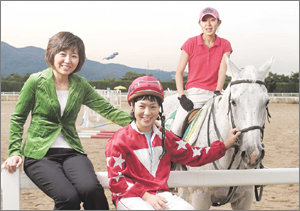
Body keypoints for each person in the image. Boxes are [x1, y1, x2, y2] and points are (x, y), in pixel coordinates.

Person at [2, 31, 132, 210]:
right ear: (52, 54)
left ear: (80, 59)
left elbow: (107, 109)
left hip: (72, 152)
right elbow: (18, 118)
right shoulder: (35, 81)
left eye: (74, 55)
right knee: (68, 198)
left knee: (92, 190)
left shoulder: (81, 85)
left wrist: (138, 123)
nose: (68, 60)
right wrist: (15, 151)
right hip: (40, 154)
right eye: (63, 54)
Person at [105, 76, 241, 210]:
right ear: (132, 106)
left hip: (161, 194)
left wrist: (224, 145)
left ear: (159, 109)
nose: (147, 112)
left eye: (153, 107)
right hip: (130, 196)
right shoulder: (118, 140)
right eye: (142, 106)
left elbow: (193, 154)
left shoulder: (165, 137)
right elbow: (117, 181)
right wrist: (145, 195)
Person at [171, 7, 233, 138]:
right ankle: (174, 157)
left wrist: (218, 91)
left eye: (212, 20)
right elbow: (179, 72)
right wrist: (182, 96)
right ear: (200, 23)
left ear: (219, 22)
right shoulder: (190, 43)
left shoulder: (225, 44)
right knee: (176, 129)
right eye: (204, 21)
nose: (208, 24)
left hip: (215, 95)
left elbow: (223, 70)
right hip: (194, 95)